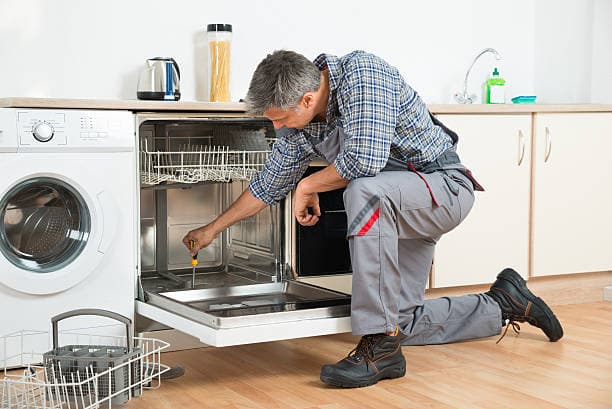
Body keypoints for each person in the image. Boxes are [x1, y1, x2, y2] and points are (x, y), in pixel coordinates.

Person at [183, 50, 563, 388]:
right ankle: (504, 302)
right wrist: (210, 229)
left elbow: (366, 161)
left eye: (281, 119)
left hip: (442, 189)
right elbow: (268, 185)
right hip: (397, 206)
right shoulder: (303, 125)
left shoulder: (363, 74)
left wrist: (308, 185)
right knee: (404, 322)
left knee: (364, 190)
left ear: (307, 98)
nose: (278, 128)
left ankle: (379, 346)